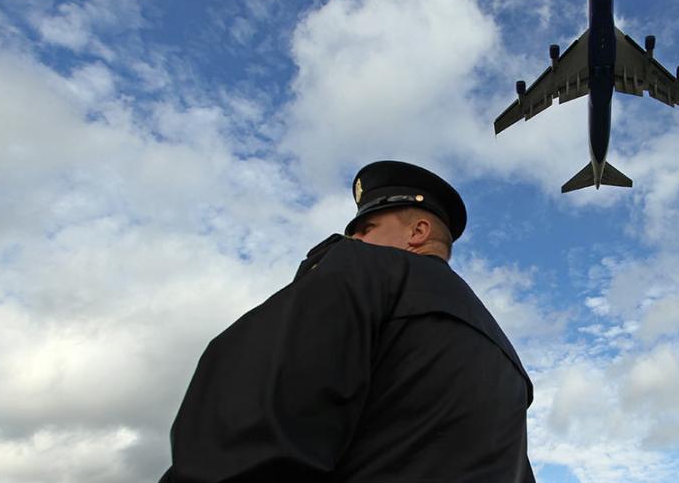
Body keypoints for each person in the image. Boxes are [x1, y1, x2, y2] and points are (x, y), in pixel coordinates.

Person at [160, 160, 536, 482]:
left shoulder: (361, 269)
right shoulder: (507, 357)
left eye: (366, 228)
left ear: (418, 232)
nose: (352, 236)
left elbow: (251, 427)